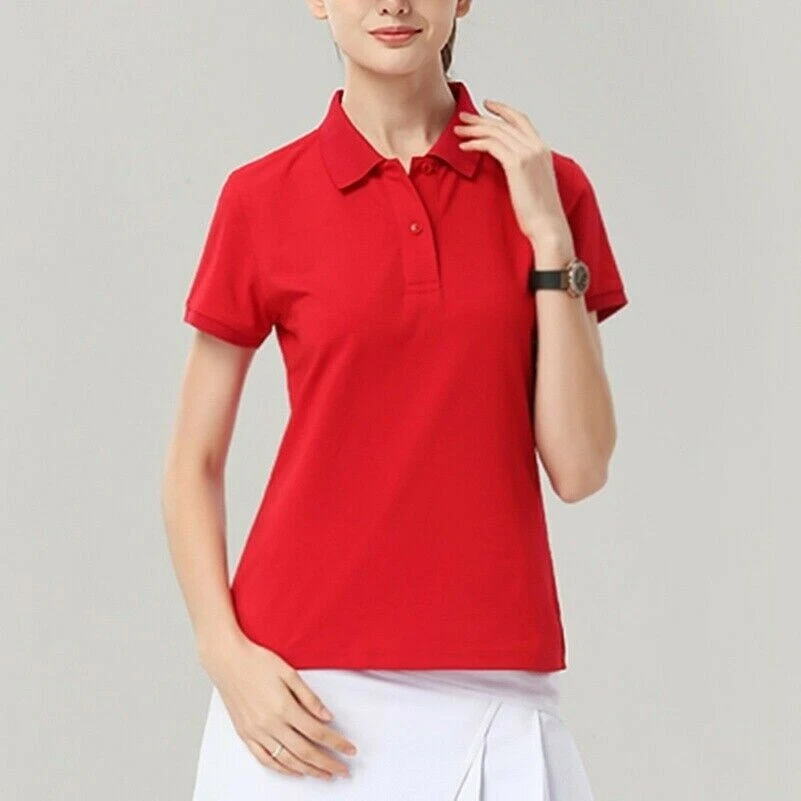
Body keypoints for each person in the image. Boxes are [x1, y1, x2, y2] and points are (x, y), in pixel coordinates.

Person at [161, 1, 629, 798]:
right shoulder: (260, 197)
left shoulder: (550, 188)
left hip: (495, 681)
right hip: (298, 698)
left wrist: (550, 240)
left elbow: (580, 467)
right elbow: (191, 461)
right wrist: (224, 653)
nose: (393, 3)